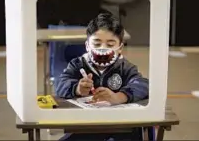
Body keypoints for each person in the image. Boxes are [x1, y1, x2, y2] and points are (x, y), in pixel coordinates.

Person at [55, 13, 149, 141]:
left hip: (120, 129)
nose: (103, 49)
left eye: (110, 45)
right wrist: (77, 88)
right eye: (97, 44)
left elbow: (143, 85)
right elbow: (60, 83)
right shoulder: (78, 64)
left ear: (120, 48)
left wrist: (119, 97)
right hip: (87, 127)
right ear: (87, 45)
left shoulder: (125, 67)